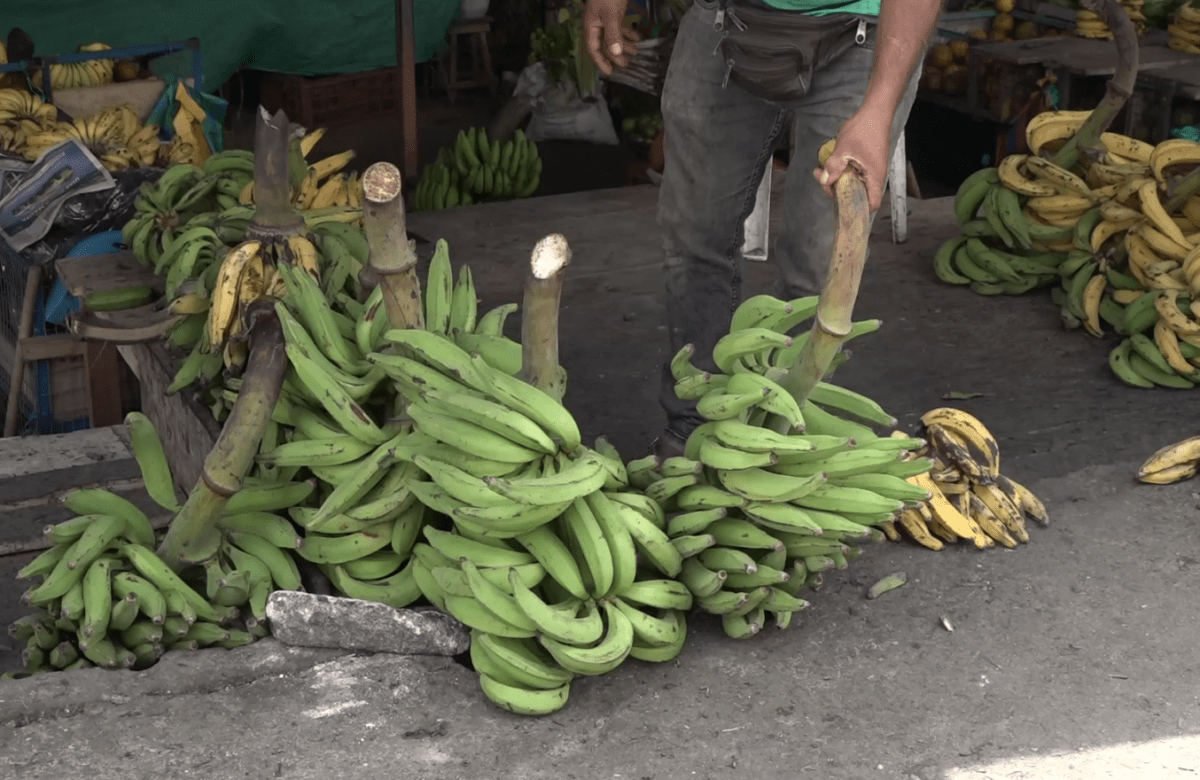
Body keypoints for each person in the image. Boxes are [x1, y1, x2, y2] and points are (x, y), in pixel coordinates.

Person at [584, 0, 943, 459]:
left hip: (863, 34)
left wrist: (879, 107)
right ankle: (694, 426)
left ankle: (777, 439)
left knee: (820, 265)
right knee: (694, 238)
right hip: (725, 20)